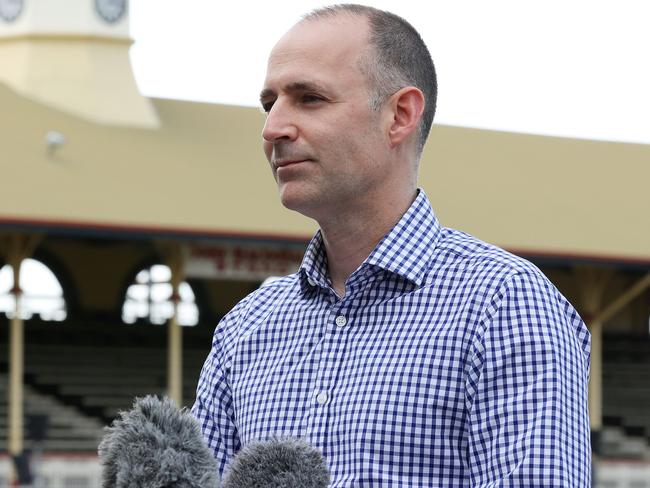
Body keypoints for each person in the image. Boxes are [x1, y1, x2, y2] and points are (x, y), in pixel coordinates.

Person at [193, 4, 591, 486]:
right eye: (269, 103)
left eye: (310, 98)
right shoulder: (245, 327)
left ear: (400, 115)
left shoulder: (505, 306)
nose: (272, 128)